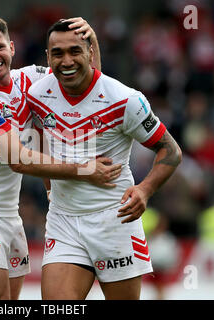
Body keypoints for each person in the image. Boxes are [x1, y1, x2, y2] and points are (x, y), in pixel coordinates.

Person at [0, 14, 121, 300]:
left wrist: (90, 42)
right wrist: (85, 169)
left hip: (9, 216)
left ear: (12, 48)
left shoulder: (29, 79)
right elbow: (17, 159)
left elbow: (86, 85)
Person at [27, 19, 182, 300]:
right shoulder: (38, 95)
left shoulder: (124, 100)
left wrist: (145, 190)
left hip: (115, 220)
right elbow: (40, 143)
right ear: (47, 57)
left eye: (75, 51)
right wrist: (50, 187)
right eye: (58, 53)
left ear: (90, 53)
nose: (67, 60)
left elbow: (170, 150)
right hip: (65, 222)